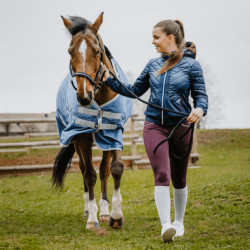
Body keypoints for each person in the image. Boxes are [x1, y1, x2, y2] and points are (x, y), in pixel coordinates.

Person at [103, 19, 208, 243]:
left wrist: (199, 108)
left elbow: (201, 96)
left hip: (181, 125)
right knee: (162, 174)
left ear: (170, 37)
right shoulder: (152, 65)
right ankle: (165, 226)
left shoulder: (192, 66)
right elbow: (133, 90)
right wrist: (109, 81)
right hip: (154, 125)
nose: (153, 42)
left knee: (179, 177)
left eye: (156, 37)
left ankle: (179, 222)